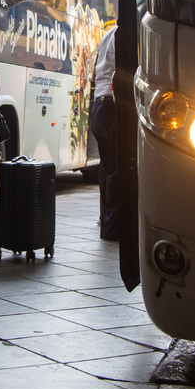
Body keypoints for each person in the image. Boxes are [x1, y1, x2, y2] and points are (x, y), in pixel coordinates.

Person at [90, 25, 118, 241]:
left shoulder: (108, 33)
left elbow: (93, 73)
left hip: (99, 105)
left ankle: (105, 222)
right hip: (112, 104)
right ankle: (113, 229)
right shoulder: (125, 33)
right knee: (117, 168)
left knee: (106, 166)